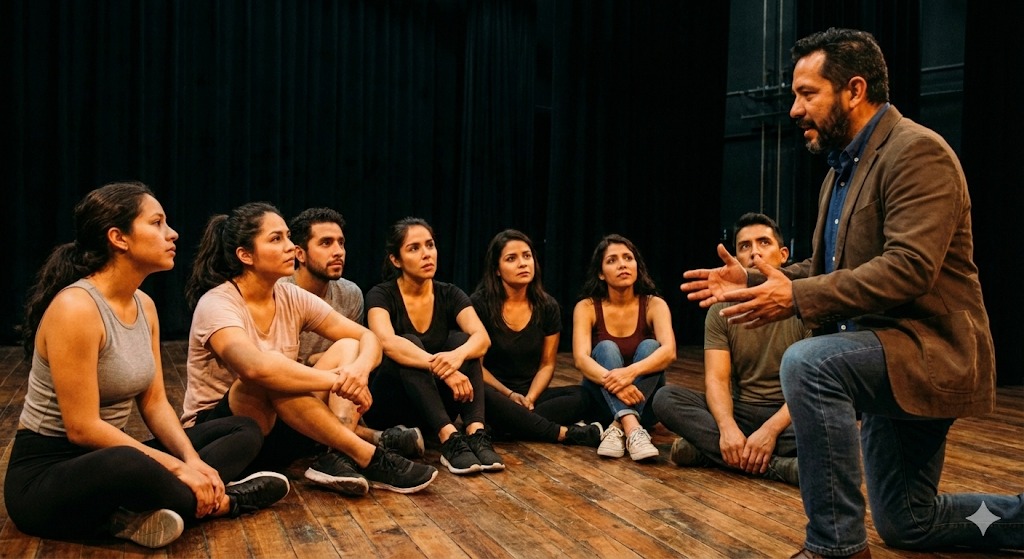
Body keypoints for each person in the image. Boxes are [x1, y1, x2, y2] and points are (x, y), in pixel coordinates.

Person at [682, 28, 1023, 558]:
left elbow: (909, 268)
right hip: (879, 354)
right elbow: (827, 269)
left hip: (927, 350)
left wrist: (796, 299)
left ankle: (835, 547)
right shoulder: (840, 173)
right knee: (909, 523)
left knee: (810, 362)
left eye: (807, 93)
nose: (795, 109)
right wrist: (752, 280)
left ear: (854, 90)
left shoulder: (917, 152)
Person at [4, 182, 288, 549]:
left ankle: (136, 513)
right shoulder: (76, 308)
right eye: (157, 223)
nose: (172, 233)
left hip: (108, 460)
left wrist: (191, 460)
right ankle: (227, 502)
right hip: (46, 479)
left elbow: (154, 402)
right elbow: (82, 428)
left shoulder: (145, 305)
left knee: (243, 429)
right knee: (128, 462)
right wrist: (178, 468)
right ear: (118, 238)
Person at [181, 202, 437, 498]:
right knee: (271, 371)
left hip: (279, 430)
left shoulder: (290, 295)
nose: (290, 247)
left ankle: (337, 455)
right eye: (276, 239)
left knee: (349, 346)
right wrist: (339, 381)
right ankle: (366, 455)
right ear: (245, 255)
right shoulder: (218, 303)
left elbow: (367, 337)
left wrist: (357, 372)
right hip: (223, 437)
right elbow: (255, 368)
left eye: (288, 237)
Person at [653, 213, 808, 486]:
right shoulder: (720, 309)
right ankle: (777, 467)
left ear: (783, 254)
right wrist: (727, 429)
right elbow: (717, 379)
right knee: (665, 398)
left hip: (789, 416)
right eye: (745, 246)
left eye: (764, 243)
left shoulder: (803, 303)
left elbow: (807, 387)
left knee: (833, 427)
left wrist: (770, 432)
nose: (755, 252)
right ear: (736, 258)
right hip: (742, 412)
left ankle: (707, 452)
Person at [362, 217, 504, 475]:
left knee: (463, 342)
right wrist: (444, 369)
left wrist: (457, 356)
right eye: (414, 248)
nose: (426, 254)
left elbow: (482, 338)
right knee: (408, 343)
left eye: (430, 245)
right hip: (391, 406)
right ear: (396, 260)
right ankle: (449, 439)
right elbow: (387, 342)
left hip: (434, 406)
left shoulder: (450, 293)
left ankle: (476, 433)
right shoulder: (380, 294)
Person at [283, 207, 424, 459]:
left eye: (341, 243)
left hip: (334, 389)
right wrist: (327, 365)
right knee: (348, 349)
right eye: (326, 243)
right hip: (287, 395)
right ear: (300, 254)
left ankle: (343, 449)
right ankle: (366, 440)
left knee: (356, 354)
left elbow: (361, 348)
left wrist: (358, 370)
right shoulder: (280, 291)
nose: (338, 251)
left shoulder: (349, 293)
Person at [470, 229, 603, 447]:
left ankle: (510, 426)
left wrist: (530, 398)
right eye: (511, 259)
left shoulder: (547, 306)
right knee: (477, 394)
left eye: (527, 256)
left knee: (583, 395)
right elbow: (477, 367)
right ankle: (562, 433)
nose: (523, 263)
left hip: (531, 395)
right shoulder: (479, 304)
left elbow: (547, 364)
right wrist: (509, 395)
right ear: (497, 270)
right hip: (495, 393)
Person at [573, 234, 676, 461]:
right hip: (601, 404)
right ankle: (632, 427)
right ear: (601, 273)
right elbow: (581, 359)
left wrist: (629, 373)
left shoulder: (654, 304)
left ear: (637, 265)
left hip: (645, 405)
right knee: (606, 348)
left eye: (628, 258)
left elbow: (669, 352)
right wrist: (619, 386)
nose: (622, 264)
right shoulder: (587, 306)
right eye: (612, 260)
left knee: (652, 346)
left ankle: (618, 426)